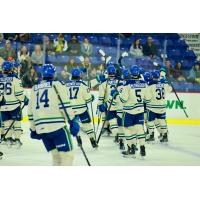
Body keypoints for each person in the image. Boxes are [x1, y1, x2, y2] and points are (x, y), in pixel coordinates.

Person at [28, 64, 80, 166]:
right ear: (54, 74)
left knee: (56, 156)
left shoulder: (34, 88)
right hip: (57, 127)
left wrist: (33, 128)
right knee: (67, 156)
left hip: (42, 129)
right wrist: (72, 121)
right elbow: (64, 105)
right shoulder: (58, 84)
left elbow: (30, 111)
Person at [111, 65, 148, 157]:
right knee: (140, 129)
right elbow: (148, 98)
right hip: (140, 110)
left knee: (127, 130)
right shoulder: (144, 83)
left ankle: (130, 149)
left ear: (131, 73)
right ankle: (142, 149)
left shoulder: (127, 84)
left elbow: (123, 100)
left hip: (129, 111)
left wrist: (116, 95)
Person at [65, 68, 97, 148]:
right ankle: (92, 140)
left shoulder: (65, 85)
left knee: (75, 125)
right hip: (82, 109)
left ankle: (78, 140)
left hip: (71, 110)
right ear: (79, 75)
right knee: (87, 125)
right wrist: (92, 97)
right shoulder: (83, 85)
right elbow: (88, 99)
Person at [0, 61, 28, 147]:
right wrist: (25, 99)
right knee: (17, 123)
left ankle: (8, 140)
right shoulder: (15, 79)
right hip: (14, 105)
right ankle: (17, 140)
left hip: (2, 106)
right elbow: (19, 95)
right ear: (11, 69)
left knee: (7, 123)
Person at [146, 70, 172, 143]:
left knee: (150, 121)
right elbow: (170, 90)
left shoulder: (150, 85)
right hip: (162, 107)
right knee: (162, 121)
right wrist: (167, 83)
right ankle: (165, 136)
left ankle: (151, 135)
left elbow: (147, 96)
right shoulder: (164, 84)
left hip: (152, 107)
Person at [98, 64, 119, 139]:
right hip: (120, 104)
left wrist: (99, 105)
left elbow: (101, 96)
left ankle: (110, 130)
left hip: (109, 104)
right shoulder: (120, 81)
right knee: (118, 120)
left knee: (112, 120)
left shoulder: (103, 83)